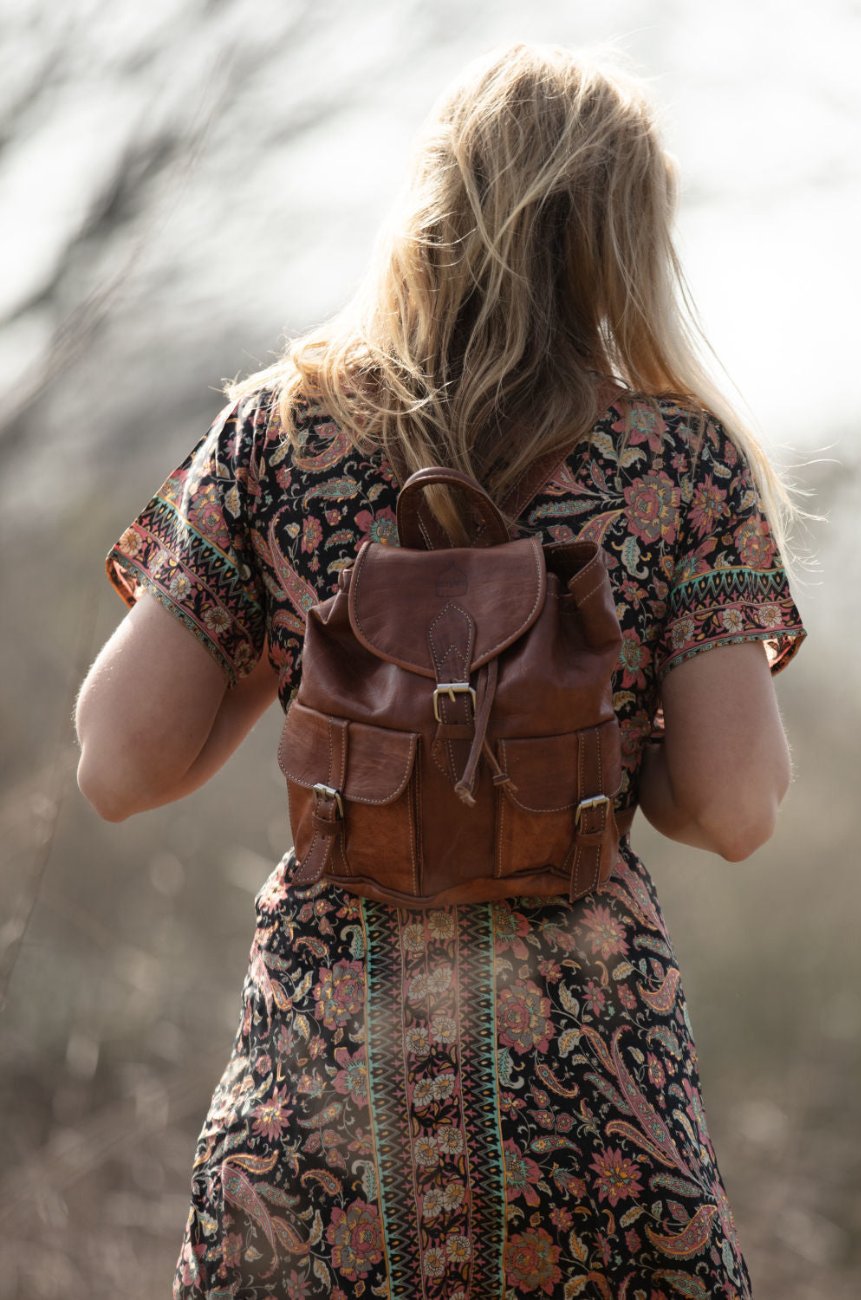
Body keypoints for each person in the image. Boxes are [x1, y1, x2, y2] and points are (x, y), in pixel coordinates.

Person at [75, 42, 806, 1300]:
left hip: (320, 1101)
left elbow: (118, 767)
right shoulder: (679, 464)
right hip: (589, 1101)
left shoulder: (280, 433)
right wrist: (602, 739)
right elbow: (734, 809)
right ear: (626, 238)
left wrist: (317, 655)